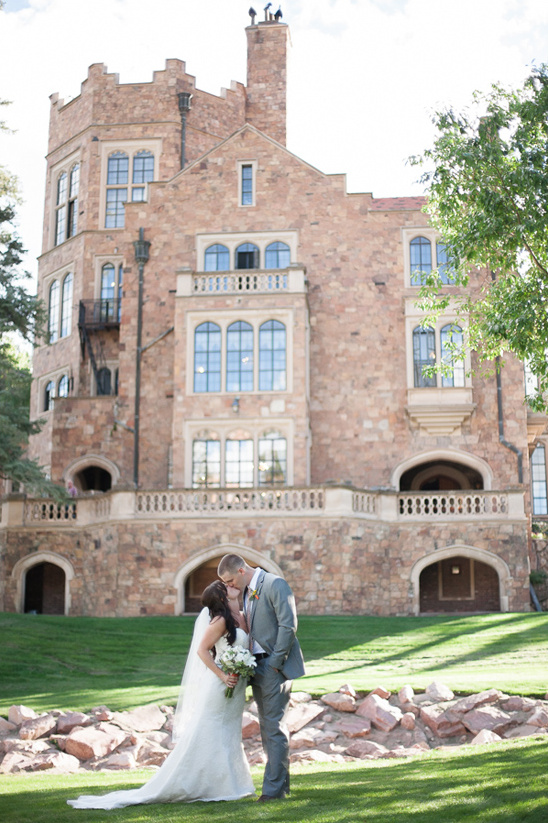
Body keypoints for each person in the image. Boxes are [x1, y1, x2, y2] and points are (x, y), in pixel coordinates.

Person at [67, 581, 255, 810]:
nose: (231, 585)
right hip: (219, 687)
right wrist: (223, 676)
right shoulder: (221, 620)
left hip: (235, 689)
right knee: (210, 732)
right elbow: (202, 650)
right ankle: (202, 784)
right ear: (222, 596)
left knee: (228, 733)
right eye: (225, 586)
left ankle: (228, 784)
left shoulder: (241, 615)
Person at [218, 553, 305, 803]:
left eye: (230, 580)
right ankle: (280, 787)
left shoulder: (275, 584)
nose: (229, 586)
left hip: (273, 667)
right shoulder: (246, 591)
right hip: (256, 666)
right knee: (269, 729)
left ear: (242, 571)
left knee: (273, 727)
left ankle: (272, 792)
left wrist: (276, 664)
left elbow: (288, 625)